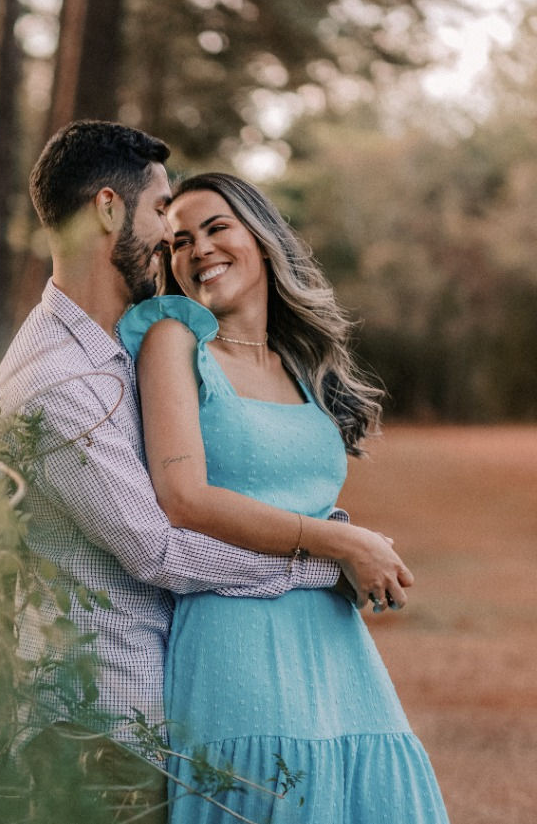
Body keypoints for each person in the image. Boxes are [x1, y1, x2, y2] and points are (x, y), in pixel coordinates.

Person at [0, 121, 410, 823]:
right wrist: (327, 554)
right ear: (106, 209)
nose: (170, 239)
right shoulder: (54, 379)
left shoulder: (115, 346)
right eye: (163, 214)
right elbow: (158, 547)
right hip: (101, 723)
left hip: (161, 707)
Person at [116, 171, 449, 821]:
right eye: (180, 241)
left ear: (263, 240)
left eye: (217, 228)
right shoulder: (174, 340)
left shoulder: (300, 363)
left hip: (337, 647)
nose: (199, 249)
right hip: (237, 640)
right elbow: (184, 496)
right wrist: (344, 540)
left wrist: (346, 544)